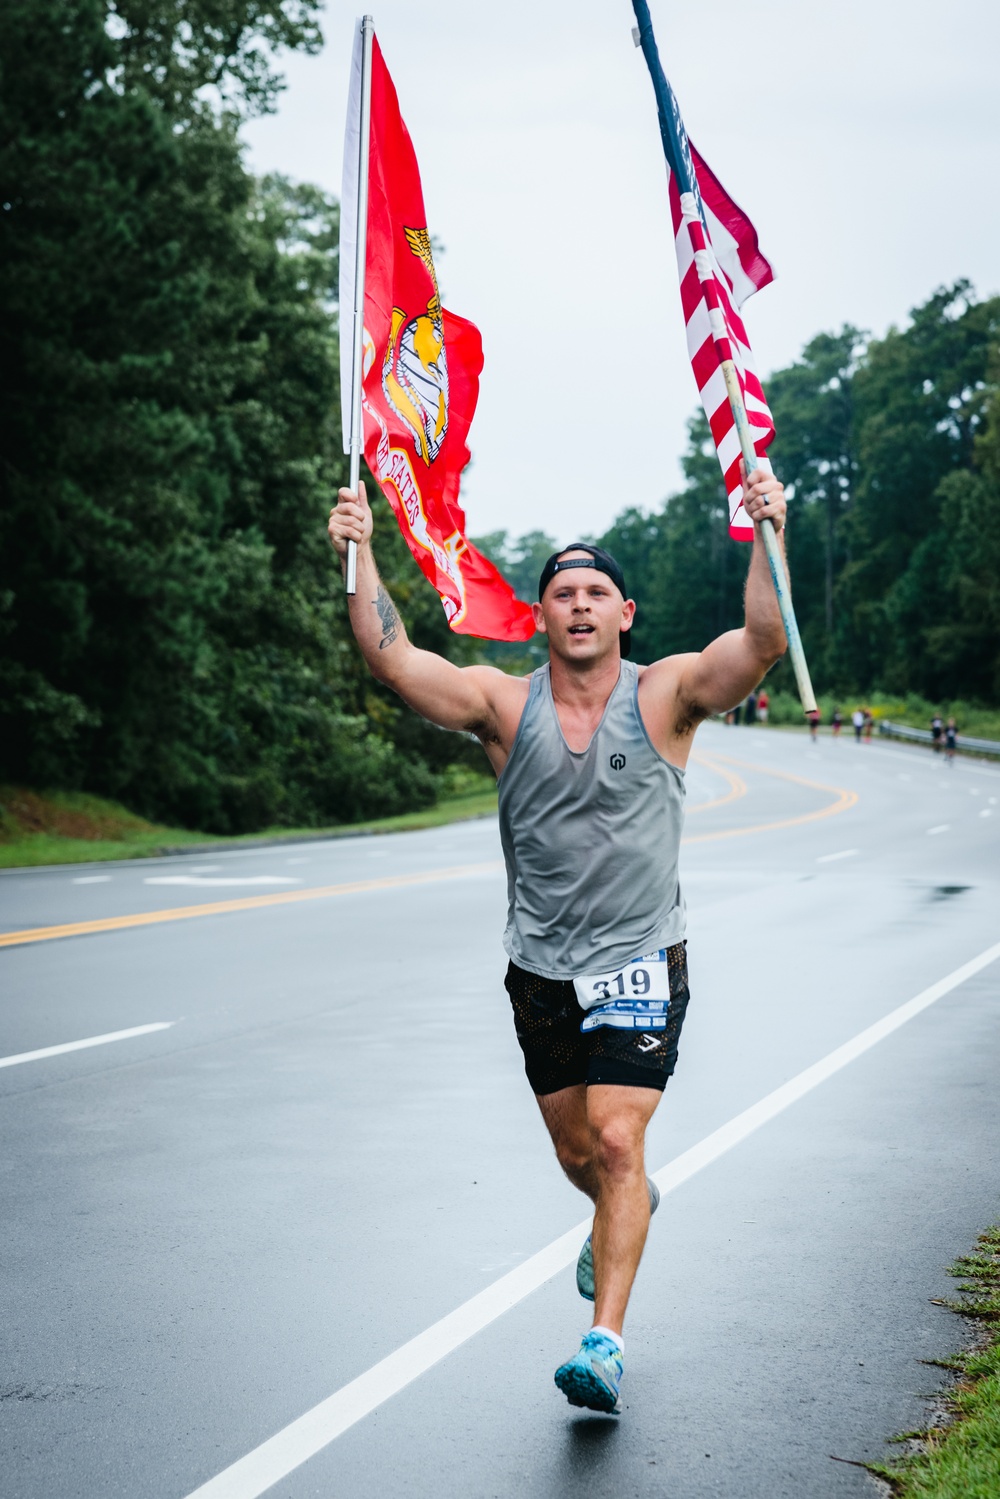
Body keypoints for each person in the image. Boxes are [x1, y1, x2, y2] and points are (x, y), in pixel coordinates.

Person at [327, 464, 789, 1416]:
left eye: (595, 594)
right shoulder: (504, 705)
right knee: (581, 1155)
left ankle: (605, 1342)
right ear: (540, 616)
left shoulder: (667, 694)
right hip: (539, 967)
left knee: (620, 1141)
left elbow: (761, 643)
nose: (579, 606)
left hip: (639, 957)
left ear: (625, 612)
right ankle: (625, 1205)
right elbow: (396, 658)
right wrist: (361, 547)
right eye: (562, 595)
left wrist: (766, 534)